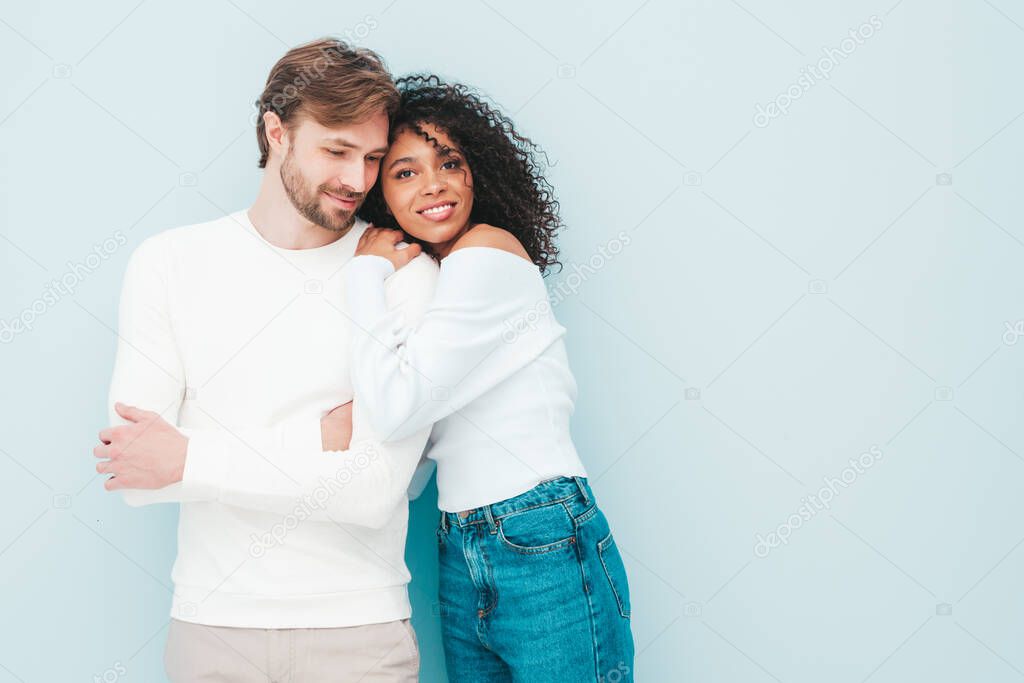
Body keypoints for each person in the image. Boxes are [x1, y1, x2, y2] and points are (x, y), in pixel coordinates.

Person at [94, 38, 435, 681]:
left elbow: (374, 489)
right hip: (213, 632)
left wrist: (191, 454)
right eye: (335, 150)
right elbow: (136, 471)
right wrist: (322, 438)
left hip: (359, 634)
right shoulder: (170, 264)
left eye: (372, 158)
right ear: (275, 131)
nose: (356, 181)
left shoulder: (399, 269)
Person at [345, 75, 636, 682]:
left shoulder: (489, 253)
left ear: (480, 170)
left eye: (450, 162)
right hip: (463, 542)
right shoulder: (437, 280)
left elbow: (397, 410)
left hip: (542, 531)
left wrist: (363, 274)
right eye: (405, 172)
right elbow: (414, 445)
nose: (434, 184)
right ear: (382, 197)